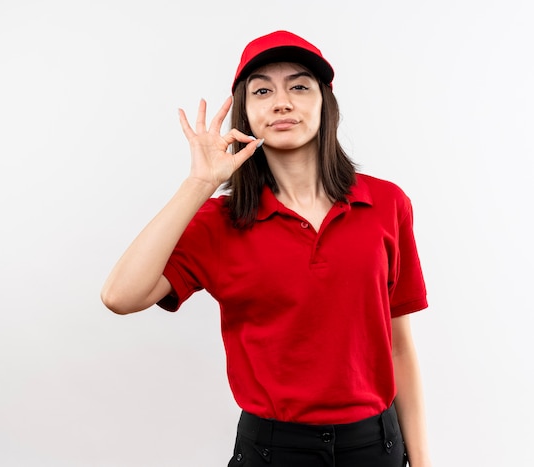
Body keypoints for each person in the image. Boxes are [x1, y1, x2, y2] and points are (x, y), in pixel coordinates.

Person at [101, 30, 431, 467]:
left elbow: (398, 346)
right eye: (262, 91)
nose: (282, 102)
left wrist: (424, 462)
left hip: (376, 446)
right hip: (273, 451)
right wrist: (198, 184)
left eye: (299, 86)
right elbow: (120, 296)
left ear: (325, 104)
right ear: (245, 114)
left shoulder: (387, 203)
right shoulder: (220, 221)